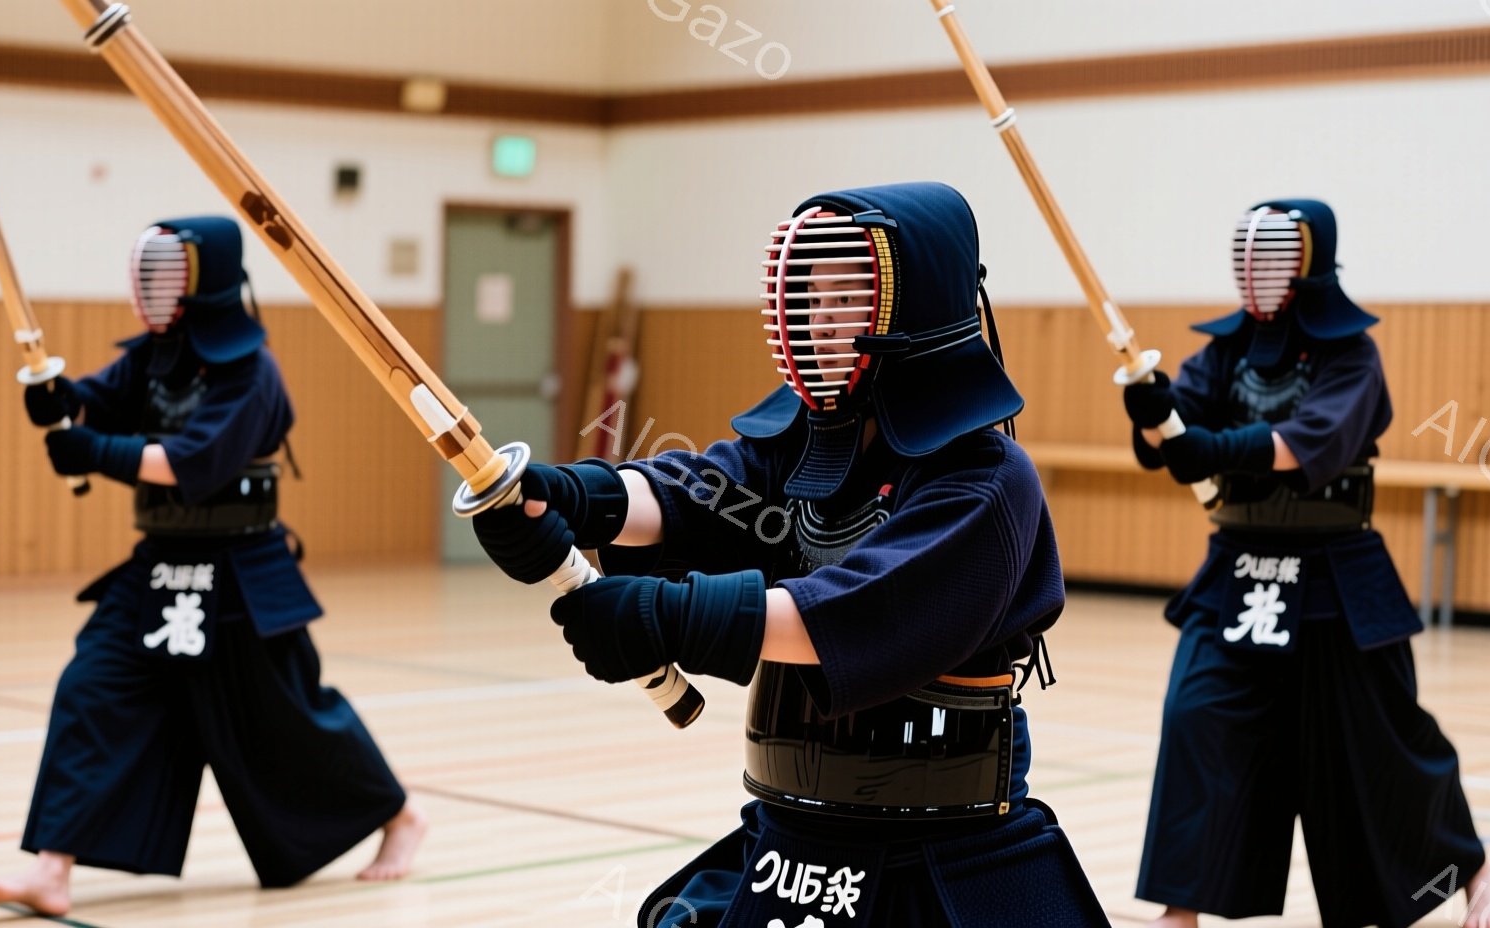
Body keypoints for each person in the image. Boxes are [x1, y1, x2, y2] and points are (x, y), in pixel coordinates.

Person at [475, 182, 1108, 927]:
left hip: (941, 841)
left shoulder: (987, 479)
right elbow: (699, 491)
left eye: (847, 301)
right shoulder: (805, 448)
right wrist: (577, 497)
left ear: (916, 313)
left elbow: (870, 605)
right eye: (810, 298)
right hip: (794, 835)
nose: (819, 321)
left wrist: (670, 616)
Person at [0, 216, 426, 917]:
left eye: (169, 272)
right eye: (148, 272)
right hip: (159, 565)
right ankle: (51, 870)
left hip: (241, 569)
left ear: (202, 278)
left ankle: (399, 818)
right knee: (93, 686)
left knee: (289, 715)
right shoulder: (158, 352)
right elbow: (101, 395)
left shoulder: (251, 374)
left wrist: (94, 451)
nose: (153, 289)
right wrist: (61, 400)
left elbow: (189, 467)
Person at [1124, 199, 1490, 928]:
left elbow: (1307, 443)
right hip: (1238, 569)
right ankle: (1182, 910)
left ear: (1308, 263)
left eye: (1273, 258)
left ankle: (1475, 872)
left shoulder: (1351, 354)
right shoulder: (1225, 351)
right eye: (1249, 257)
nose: (1256, 273)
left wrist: (1210, 446)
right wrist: (1152, 410)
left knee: (1378, 744)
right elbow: (1175, 439)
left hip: (1334, 573)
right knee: (1198, 718)